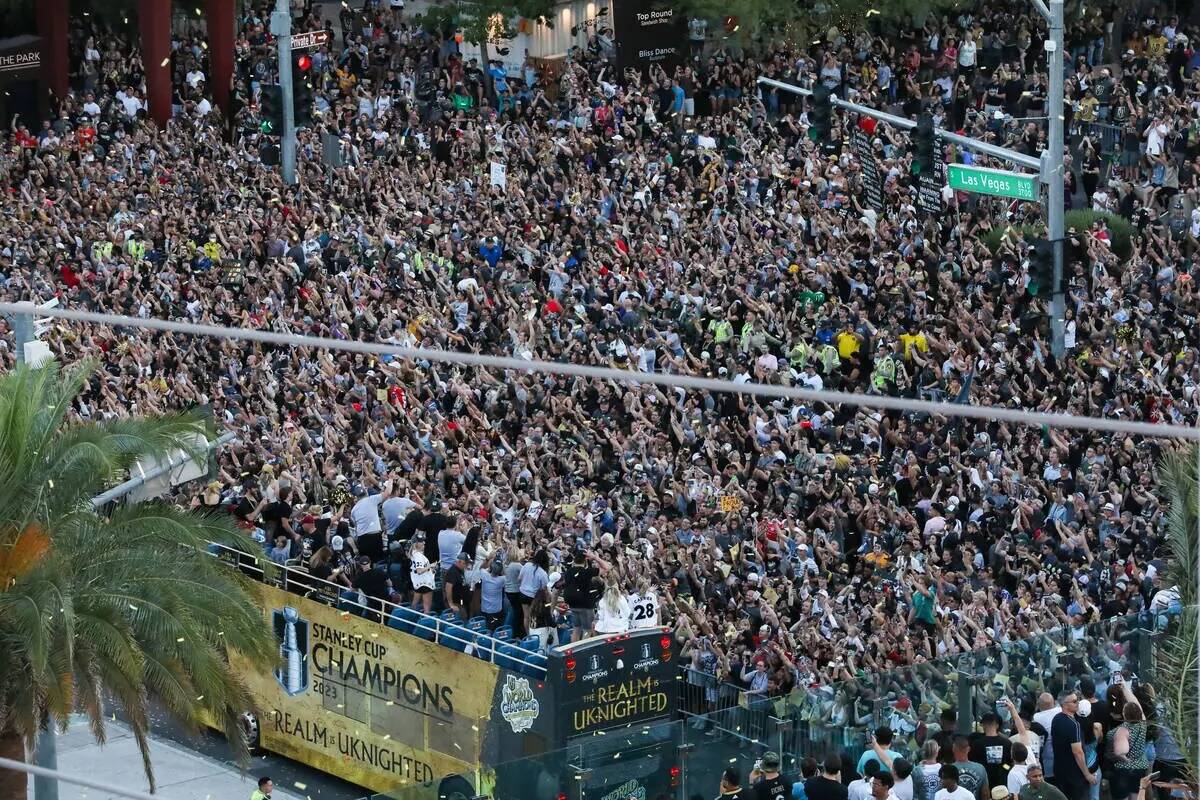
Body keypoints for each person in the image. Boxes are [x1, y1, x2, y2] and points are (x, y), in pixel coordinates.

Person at [1105, 679, 1149, 800]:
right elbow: (1137, 705)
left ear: (1124, 715)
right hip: (1140, 768)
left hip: (1122, 770)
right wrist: (1125, 688)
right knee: (1136, 795)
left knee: (1122, 797)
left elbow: (1117, 753)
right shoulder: (1142, 725)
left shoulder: (1114, 733)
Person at [1049, 693, 1096, 800]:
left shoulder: (1056, 719)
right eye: (1074, 701)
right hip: (1074, 775)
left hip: (1059, 770)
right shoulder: (1074, 725)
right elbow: (1077, 752)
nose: (1078, 703)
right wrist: (1087, 774)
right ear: (1065, 705)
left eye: (1078, 700)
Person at [970, 713, 1014, 791]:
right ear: (997, 725)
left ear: (983, 725)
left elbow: (974, 762)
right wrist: (1003, 767)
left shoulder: (977, 744)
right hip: (1002, 781)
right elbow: (1010, 764)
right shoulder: (1007, 743)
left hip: (983, 780)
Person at [409, 537, 436, 613]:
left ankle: (410, 619)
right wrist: (430, 566)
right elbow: (419, 571)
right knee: (427, 609)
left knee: (414, 605)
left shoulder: (413, 554)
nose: (424, 543)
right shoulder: (418, 555)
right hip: (425, 583)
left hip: (419, 582)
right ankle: (426, 623)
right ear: (416, 544)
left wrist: (430, 569)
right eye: (421, 542)